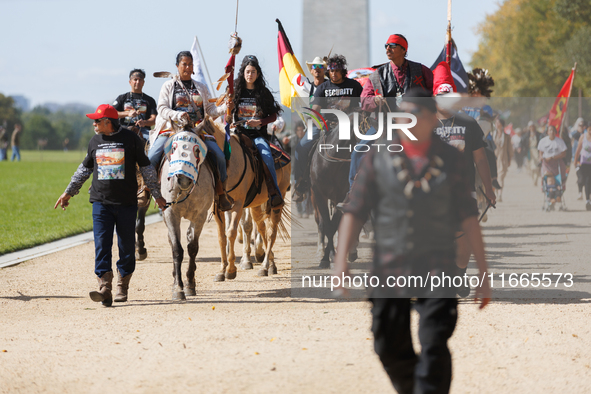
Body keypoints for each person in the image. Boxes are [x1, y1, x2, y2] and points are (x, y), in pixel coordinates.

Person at [333, 89, 490, 394]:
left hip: (438, 266)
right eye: (401, 115)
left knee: (434, 342)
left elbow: (469, 218)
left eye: (413, 114)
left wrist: (483, 273)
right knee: (387, 343)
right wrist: (341, 263)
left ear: (432, 119)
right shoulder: (378, 157)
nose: (405, 121)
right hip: (390, 266)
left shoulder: (452, 162)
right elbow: (354, 211)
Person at [54, 104, 167, 307]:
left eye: (97, 120)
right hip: (101, 203)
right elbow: (84, 170)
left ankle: (122, 285)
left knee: (126, 247)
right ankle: (105, 287)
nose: (94, 124)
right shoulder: (95, 141)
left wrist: (157, 195)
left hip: (126, 203)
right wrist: (68, 192)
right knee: (101, 245)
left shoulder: (132, 139)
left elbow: (147, 168)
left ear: (108, 122)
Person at [347, 34, 434, 191]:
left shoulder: (422, 71)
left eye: (392, 45)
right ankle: (353, 193)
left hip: (414, 124)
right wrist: (375, 101)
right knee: (358, 151)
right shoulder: (377, 74)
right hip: (383, 125)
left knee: (445, 147)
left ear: (403, 49)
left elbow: (434, 94)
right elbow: (364, 101)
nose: (388, 48)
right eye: (386, 45)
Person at [148, 51, 232, 211]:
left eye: (190, 64)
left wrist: (225, 108)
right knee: (151, 157)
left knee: (220, 157)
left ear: (193, 67)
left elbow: (210, 110)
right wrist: (178, 115)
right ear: (177, 66)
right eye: (184, 64)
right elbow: (162, 108)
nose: (187, 67)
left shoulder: (201, 87)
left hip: (198, 131)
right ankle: (148, 191)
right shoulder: (168, 86)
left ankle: (221, 193)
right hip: (172, 130)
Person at [293, 54, 363, 201]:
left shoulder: (354, 86)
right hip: (326, 127)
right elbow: (315, 109)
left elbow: (363, 106)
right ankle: (302, 182)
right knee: (301, 147)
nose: (333, 73)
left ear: (343, 71)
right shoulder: (323, 88)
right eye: (331, 70)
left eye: (337, 70)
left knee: (370, 149)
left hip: (350, 128)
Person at [228, 55, 284, 208]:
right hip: (238, 134)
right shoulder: (236, 92)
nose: (250, 75)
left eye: (253, 72)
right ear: (243, 73)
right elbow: (227, 112)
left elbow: (273, 115)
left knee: (267, 157)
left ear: (258, 74)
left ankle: (274, 193)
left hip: (258, 136)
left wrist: (260, 122)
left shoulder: (263, 93)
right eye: (247, 71)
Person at [113, 69, 158, 142]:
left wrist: (144, 122)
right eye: (135, 79)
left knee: (153, 141)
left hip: (143, 130)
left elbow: (154, 119)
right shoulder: (122, 98)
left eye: (140, 80)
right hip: (124, 128)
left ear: (143, 82)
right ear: (130, 82)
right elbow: (112, 113)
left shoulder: (149, 100)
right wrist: (127, 113)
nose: (138, 82)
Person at [538, 125, 567, 207]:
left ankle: (558, 196)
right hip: (547, 164)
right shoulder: (543, 141)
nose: (551, 132)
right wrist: (543, 158)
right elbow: (540, 154)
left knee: (559, 181)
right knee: (548, 181)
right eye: (550, 130)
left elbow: (564, 153)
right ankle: (549, 199)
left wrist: (555, 157)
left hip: (557, 163)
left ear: (555, 132)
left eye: (553, 130)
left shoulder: (559, 141)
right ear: (547, 132)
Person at [493, 117, 512, 202]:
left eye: (498, 123)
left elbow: (510, 149)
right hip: (494, 159)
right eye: (496, 123)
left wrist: (509, 159)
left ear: (502, 124)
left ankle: (500, 194)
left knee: (500, 177)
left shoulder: (507, 137)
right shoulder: (492, 135)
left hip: (503, 159)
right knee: (495, 177)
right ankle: (496, 192)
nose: (497, 125)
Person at [574, 125, 591, 210]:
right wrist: (575, 160)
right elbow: (578, 149)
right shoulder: (583, 137)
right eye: (589, 129)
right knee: (586, 180)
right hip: (584, 163)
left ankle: (588, 199)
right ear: (587, 129)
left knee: (589, 181)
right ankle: (587, 199)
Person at [571, 118, 586, 199]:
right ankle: (580, 192)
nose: (582, 127)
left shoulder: (587, 134)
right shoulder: (576, 134)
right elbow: (572, 135)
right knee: (580, 176)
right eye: (580, 125)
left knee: (586, 176)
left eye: (583, 125)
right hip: (578, 158)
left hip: (586, 159)